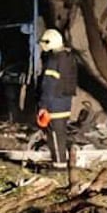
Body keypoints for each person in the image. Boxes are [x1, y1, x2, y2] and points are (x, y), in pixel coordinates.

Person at [37, 28, 79, 183]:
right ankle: (63, 160)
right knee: (61, 132)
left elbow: (48, 85)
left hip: (53, 103)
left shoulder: (53, 61)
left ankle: (59, 165)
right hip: (64, 101)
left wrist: (43, 105)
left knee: (54, 134)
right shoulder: (68, 58)